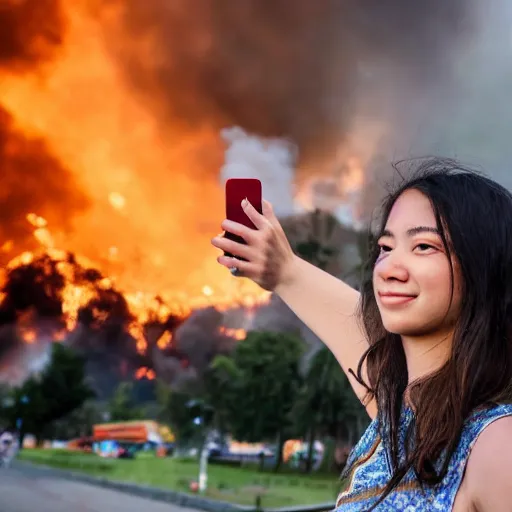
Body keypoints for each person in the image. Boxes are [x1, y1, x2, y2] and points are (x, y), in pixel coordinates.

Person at [211, 158, 512, 511]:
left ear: (484, 269)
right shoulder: (400, 421)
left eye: (424, 247)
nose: (389, 270)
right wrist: (283, 270)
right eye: (386, 247)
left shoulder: (495, 445)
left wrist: (288, 273)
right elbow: (357, 338)